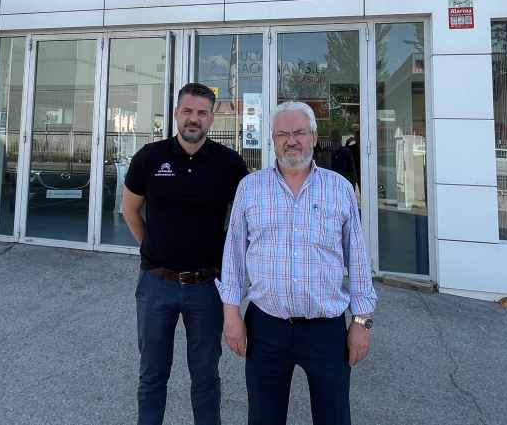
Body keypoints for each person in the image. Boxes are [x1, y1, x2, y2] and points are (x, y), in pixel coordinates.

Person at [218, 101, 377, 425]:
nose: (292, 140)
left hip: (326, 328)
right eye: (283, 134)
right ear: (272, 139)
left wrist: (361, 323)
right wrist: (231, 314)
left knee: (333, 416)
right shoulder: (250, 188)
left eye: (300, 132)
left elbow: (358, 259)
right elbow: (232, 256)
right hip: (266, 325)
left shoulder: (339, 188)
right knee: (264, 416)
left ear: (314, 137)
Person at [122, 82, 249, 425]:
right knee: (151, 375)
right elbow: (130, 210)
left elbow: (244, 223)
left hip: (207, 287)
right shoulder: (149, 157)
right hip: (156, 284)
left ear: (211, 118)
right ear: (177, 113)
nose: (194, 119)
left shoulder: (230, 164)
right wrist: (152, 247)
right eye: (188, 111)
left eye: (202, 113)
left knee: (206, 377)